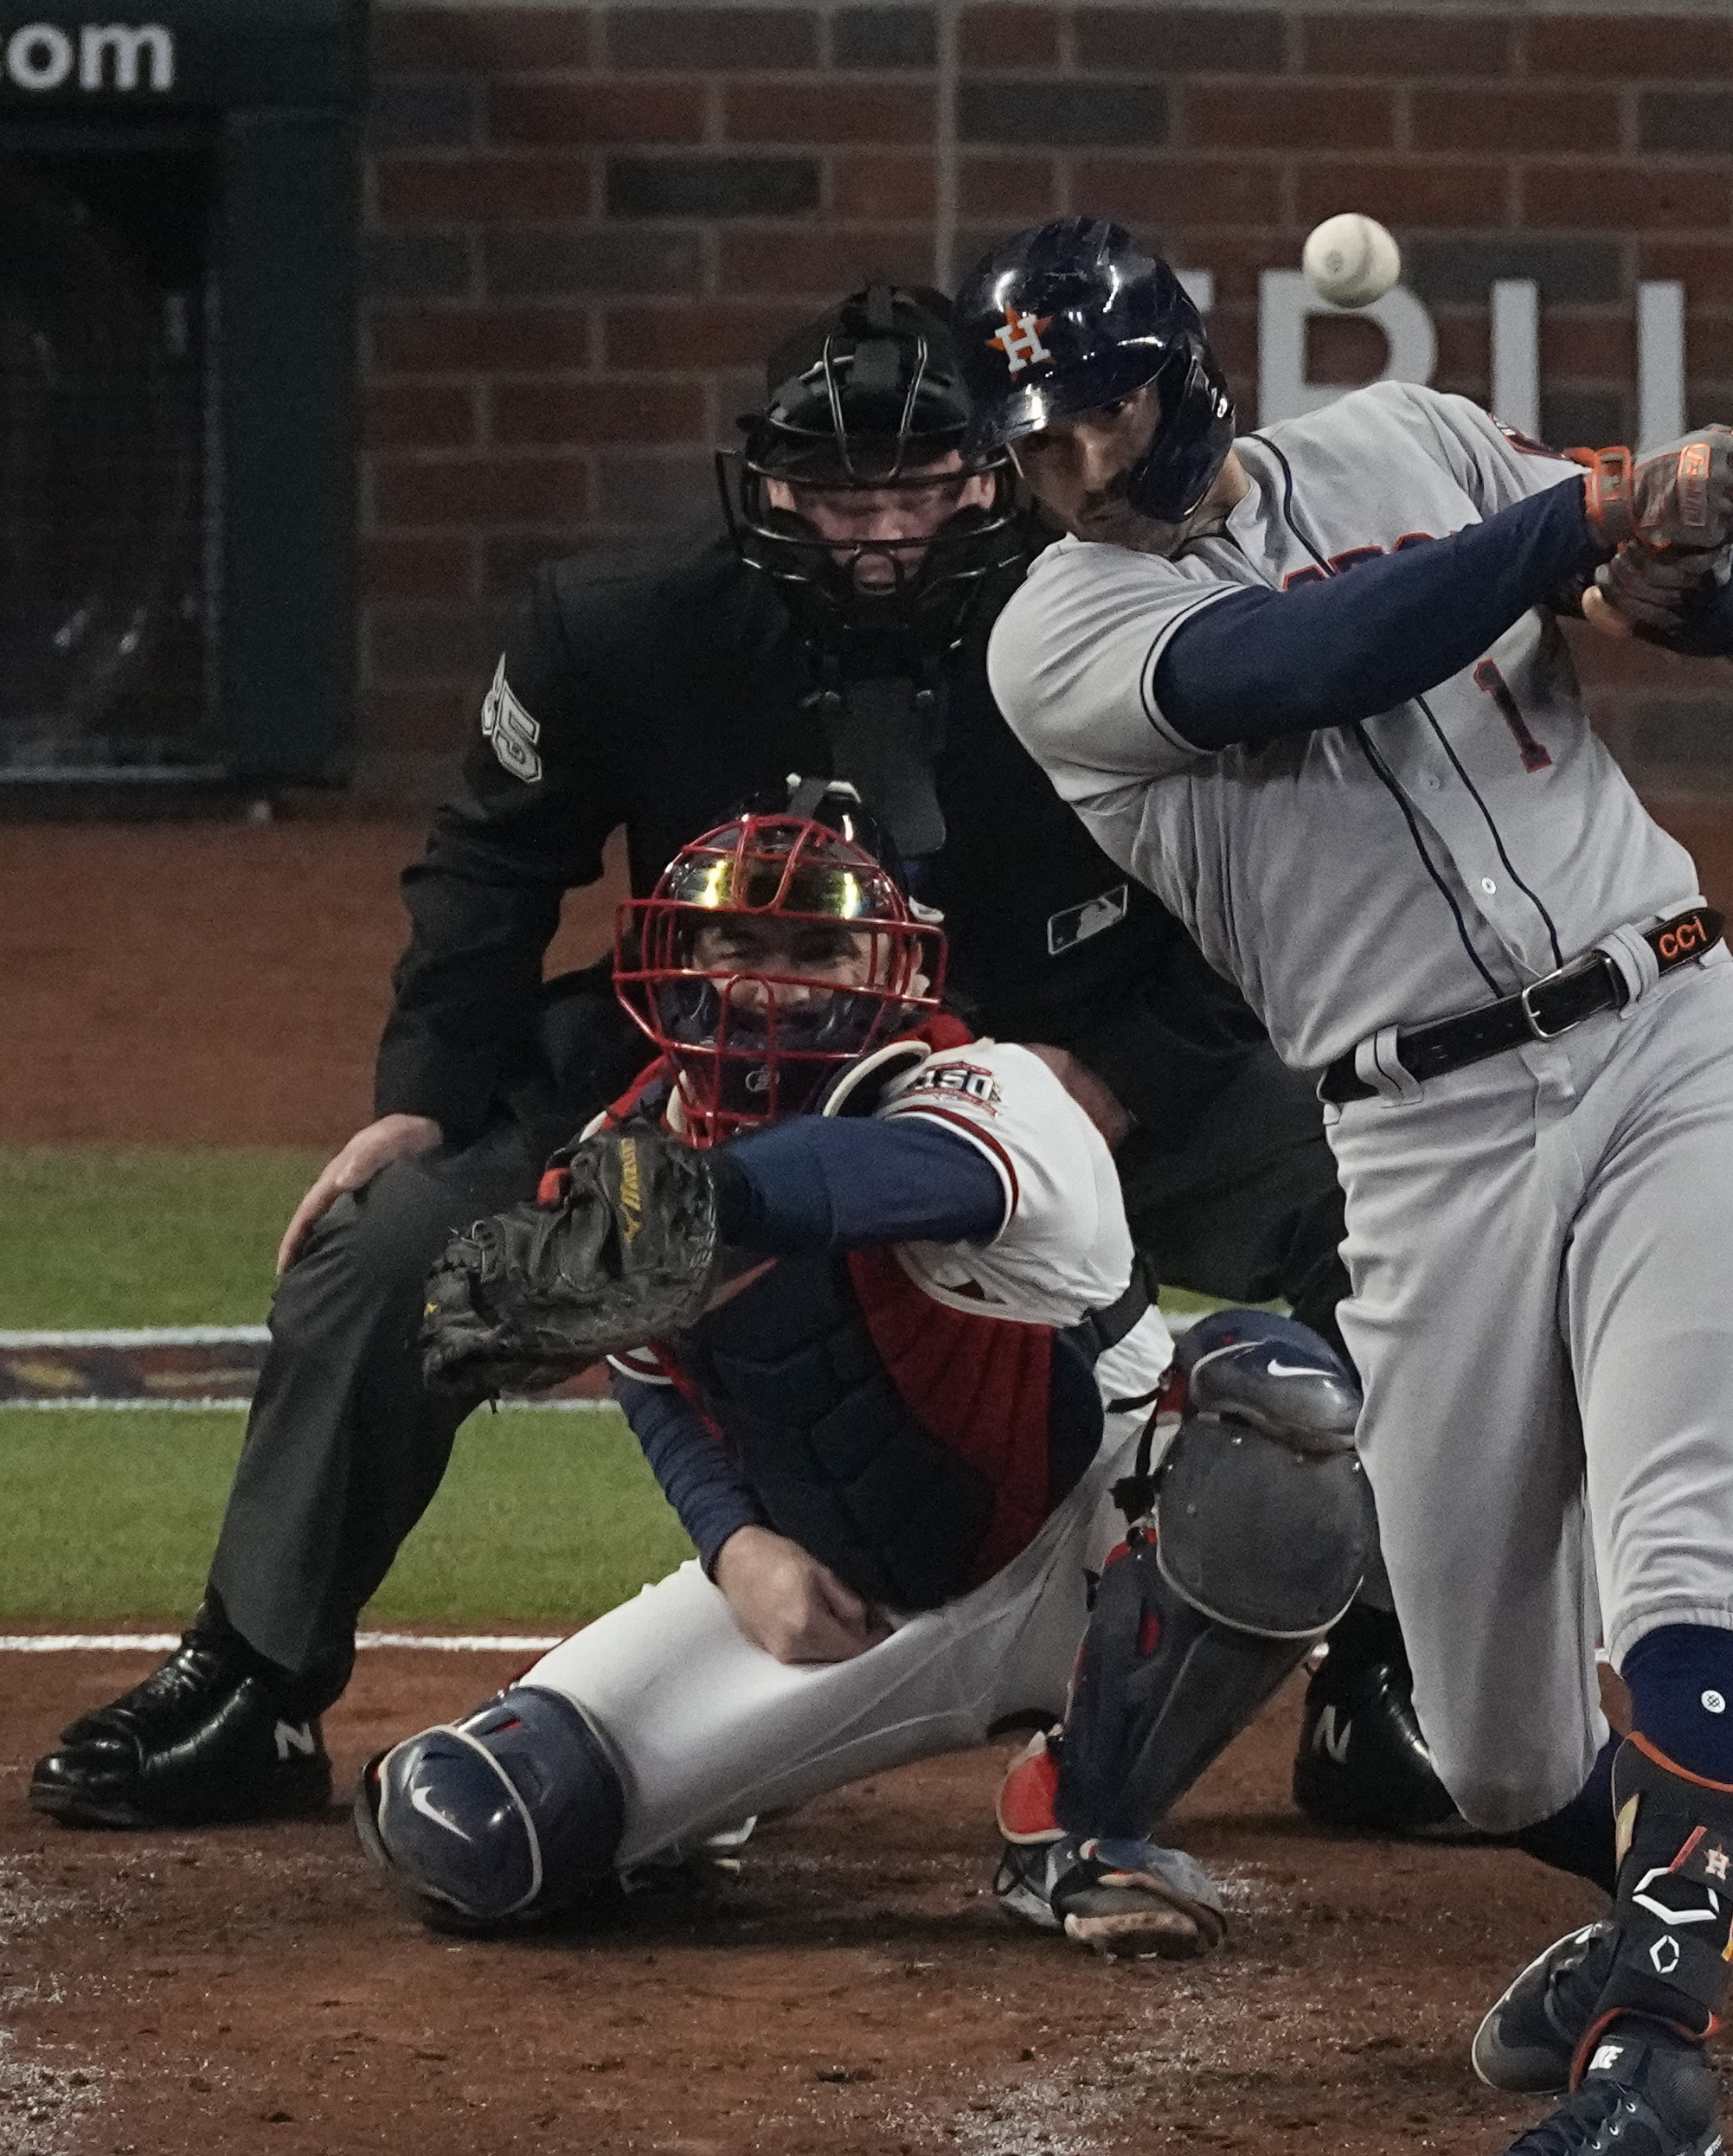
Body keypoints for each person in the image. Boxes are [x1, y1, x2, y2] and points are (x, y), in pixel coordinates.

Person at [29, 283, 1457, 1842]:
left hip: (1067, 1061)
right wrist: (422, 1100)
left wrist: (1116, 1073)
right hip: (698, 1079)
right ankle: (254, 1678)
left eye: (920, 486)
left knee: (1391, 1215)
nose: (880, 532)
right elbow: (488, 869)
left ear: (995, 470)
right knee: (387, 1252)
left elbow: (1262, 883)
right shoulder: (619, 631)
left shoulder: (1126, 617)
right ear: (765, 481)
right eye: (840, 493)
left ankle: (1391, 1675)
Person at [966, 216, 1733, 2156]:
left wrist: (1690, 557)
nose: (1078, 465)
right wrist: (1581, 518)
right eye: (1041, 440)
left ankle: (1658, 2079)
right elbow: (1313, 655)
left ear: (1185, 372)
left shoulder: (1418, 444)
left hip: (1667, 1039)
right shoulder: (1053, 642)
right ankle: (1686, 1871)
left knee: (1679, 1560)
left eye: (1106, 409)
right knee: (1496, 1750)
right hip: (1419, 1141)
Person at [353, 805, 1372, 1952]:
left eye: (817, 951)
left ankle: (1082, 1817)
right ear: (679, 963)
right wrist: (736, 1547)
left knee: (1278, 1423)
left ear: (885, 967)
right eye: (740, 947)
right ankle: (722, 1792)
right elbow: (656, 1384)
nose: (776, 983)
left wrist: (713, 1202)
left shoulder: (984, 1089)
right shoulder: (625, 1159)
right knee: (484, 1826)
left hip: (1102, 1531)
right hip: (865, 1598)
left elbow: (895, 1177)